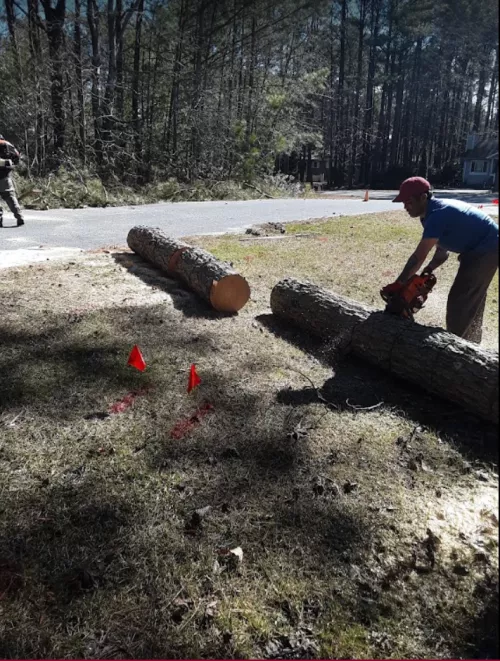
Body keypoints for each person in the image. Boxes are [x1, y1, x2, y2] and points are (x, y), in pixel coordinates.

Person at [382, 176, 499, 344]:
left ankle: (457, 350)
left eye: (408, 202)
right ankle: (472, 344)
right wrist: (428, 271)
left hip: (487, 248)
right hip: (483, 247)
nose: (405, 207)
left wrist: (400, 283)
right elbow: (441, 254)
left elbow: (418, 256)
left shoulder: (438, 214)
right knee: (471, 299)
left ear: (423, 197)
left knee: (460, 301)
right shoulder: (428, 215)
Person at [0, 134, 25, 228]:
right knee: (10, 197)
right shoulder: (8, 144)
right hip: (5, 176)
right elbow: (17, 157)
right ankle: (19, 216)